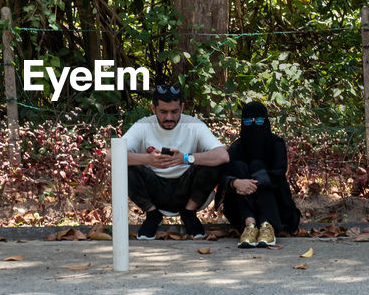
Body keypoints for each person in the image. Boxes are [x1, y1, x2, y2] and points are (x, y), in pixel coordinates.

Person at [122, 83, 229, 239]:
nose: (169, 117)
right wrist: (149, 159)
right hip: (154, 188)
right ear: (153, 109)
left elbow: (223, 155)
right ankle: (152, 215)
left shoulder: (194, 125)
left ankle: (189, 213)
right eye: (163, 112)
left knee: (213, 163)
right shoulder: (143, 125)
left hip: (186, 189)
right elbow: (112, 155)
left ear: (182, 107)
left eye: (174, 111)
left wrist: (185, 158)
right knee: (122, 165)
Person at [220, 100, 301, 248]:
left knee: (258, 167)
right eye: (248, 121)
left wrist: (254, 180)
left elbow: (279, 173)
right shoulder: (238, 147)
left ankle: (266, 225)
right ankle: (249, 225)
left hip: (275, 204)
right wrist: (236, 183)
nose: (253, 125)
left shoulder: (276, 143)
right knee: (239, 166)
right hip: (240, 208)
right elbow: (224, 174)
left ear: (266, 121)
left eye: (258, 121)